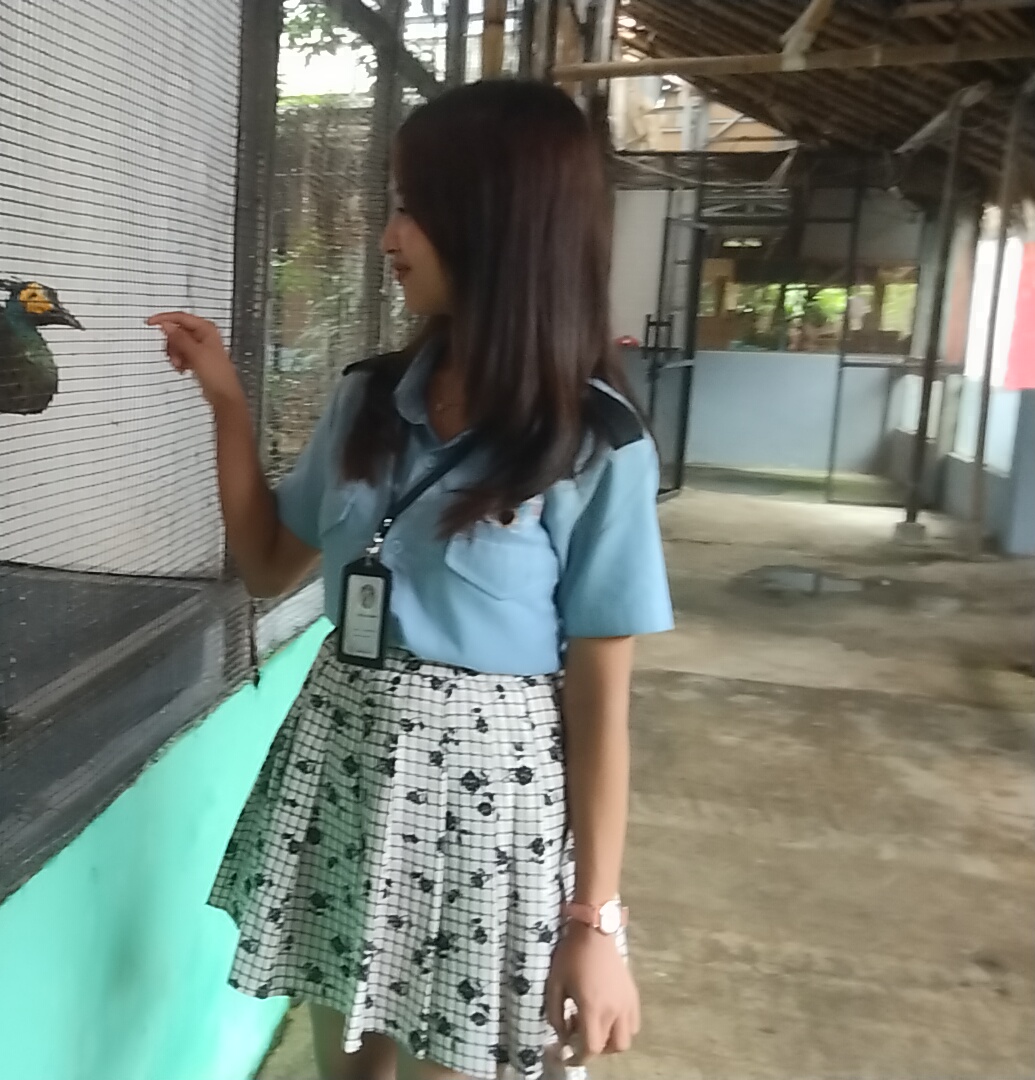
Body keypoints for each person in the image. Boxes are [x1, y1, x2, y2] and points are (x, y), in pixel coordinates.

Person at [148, 80, 673, 1080]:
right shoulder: (367, 402)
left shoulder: (595, 445)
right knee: (345, 1055)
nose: (389, 236)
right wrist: (226, 406)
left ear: (497, 224)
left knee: (455, 1066)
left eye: (408, 207)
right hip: (343, 764)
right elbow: (267, 565)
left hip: (492, 807)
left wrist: (594, 921)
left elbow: (603, 710)